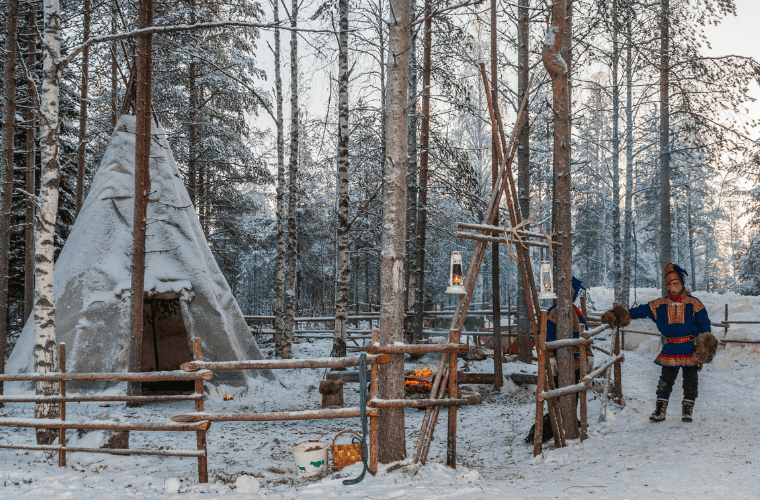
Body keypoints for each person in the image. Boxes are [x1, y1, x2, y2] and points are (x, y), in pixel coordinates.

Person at [602, 263, 716, 423]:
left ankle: (687, 411)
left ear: (682, 284)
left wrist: (704, 351)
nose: (675, 286)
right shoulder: (659, 305)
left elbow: (705, 326)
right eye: (671, 284)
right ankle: (660, 411)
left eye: (677, 283)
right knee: (665, 380)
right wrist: (617, 315)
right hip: (671, 347)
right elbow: (638, 311)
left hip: (691, 347)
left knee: (690, 381)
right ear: (667, 286)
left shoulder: (694, 303)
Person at [545, 276, 593, 383]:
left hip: (577, 361)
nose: (573, 294)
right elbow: (548, 337)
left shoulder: (577, 312)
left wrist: (589, 353)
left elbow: (585, 334)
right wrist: (550, 358)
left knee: (575, 391)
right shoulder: (552, 313)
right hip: (560, 361)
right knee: (558, 391)